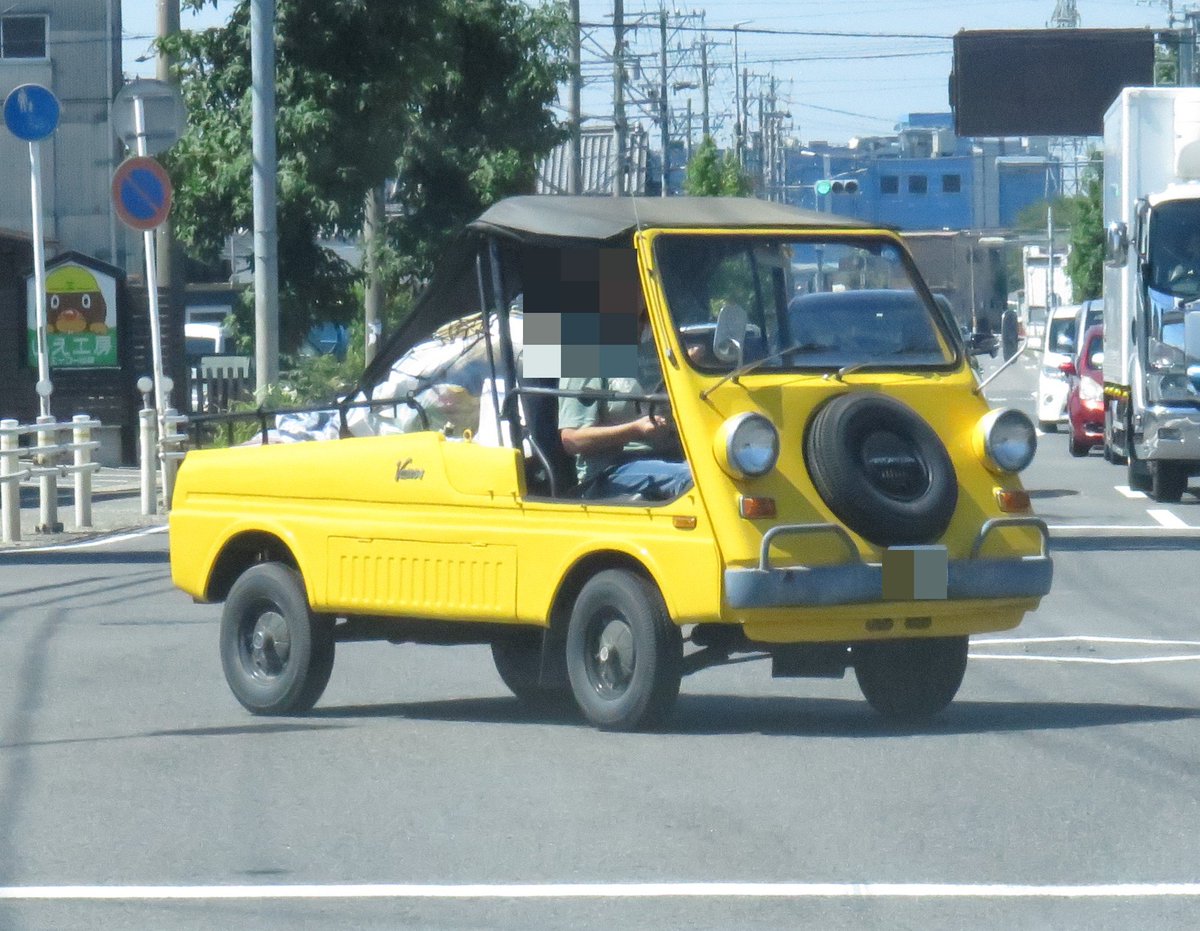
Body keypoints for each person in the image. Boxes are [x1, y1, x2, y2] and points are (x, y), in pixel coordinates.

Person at [558, 309, 693, 501]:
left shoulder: (658, 352)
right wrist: (634, 430)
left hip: (669, 454)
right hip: (611, 470)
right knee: (694, 478)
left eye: (642, 318)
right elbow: (572, 440)